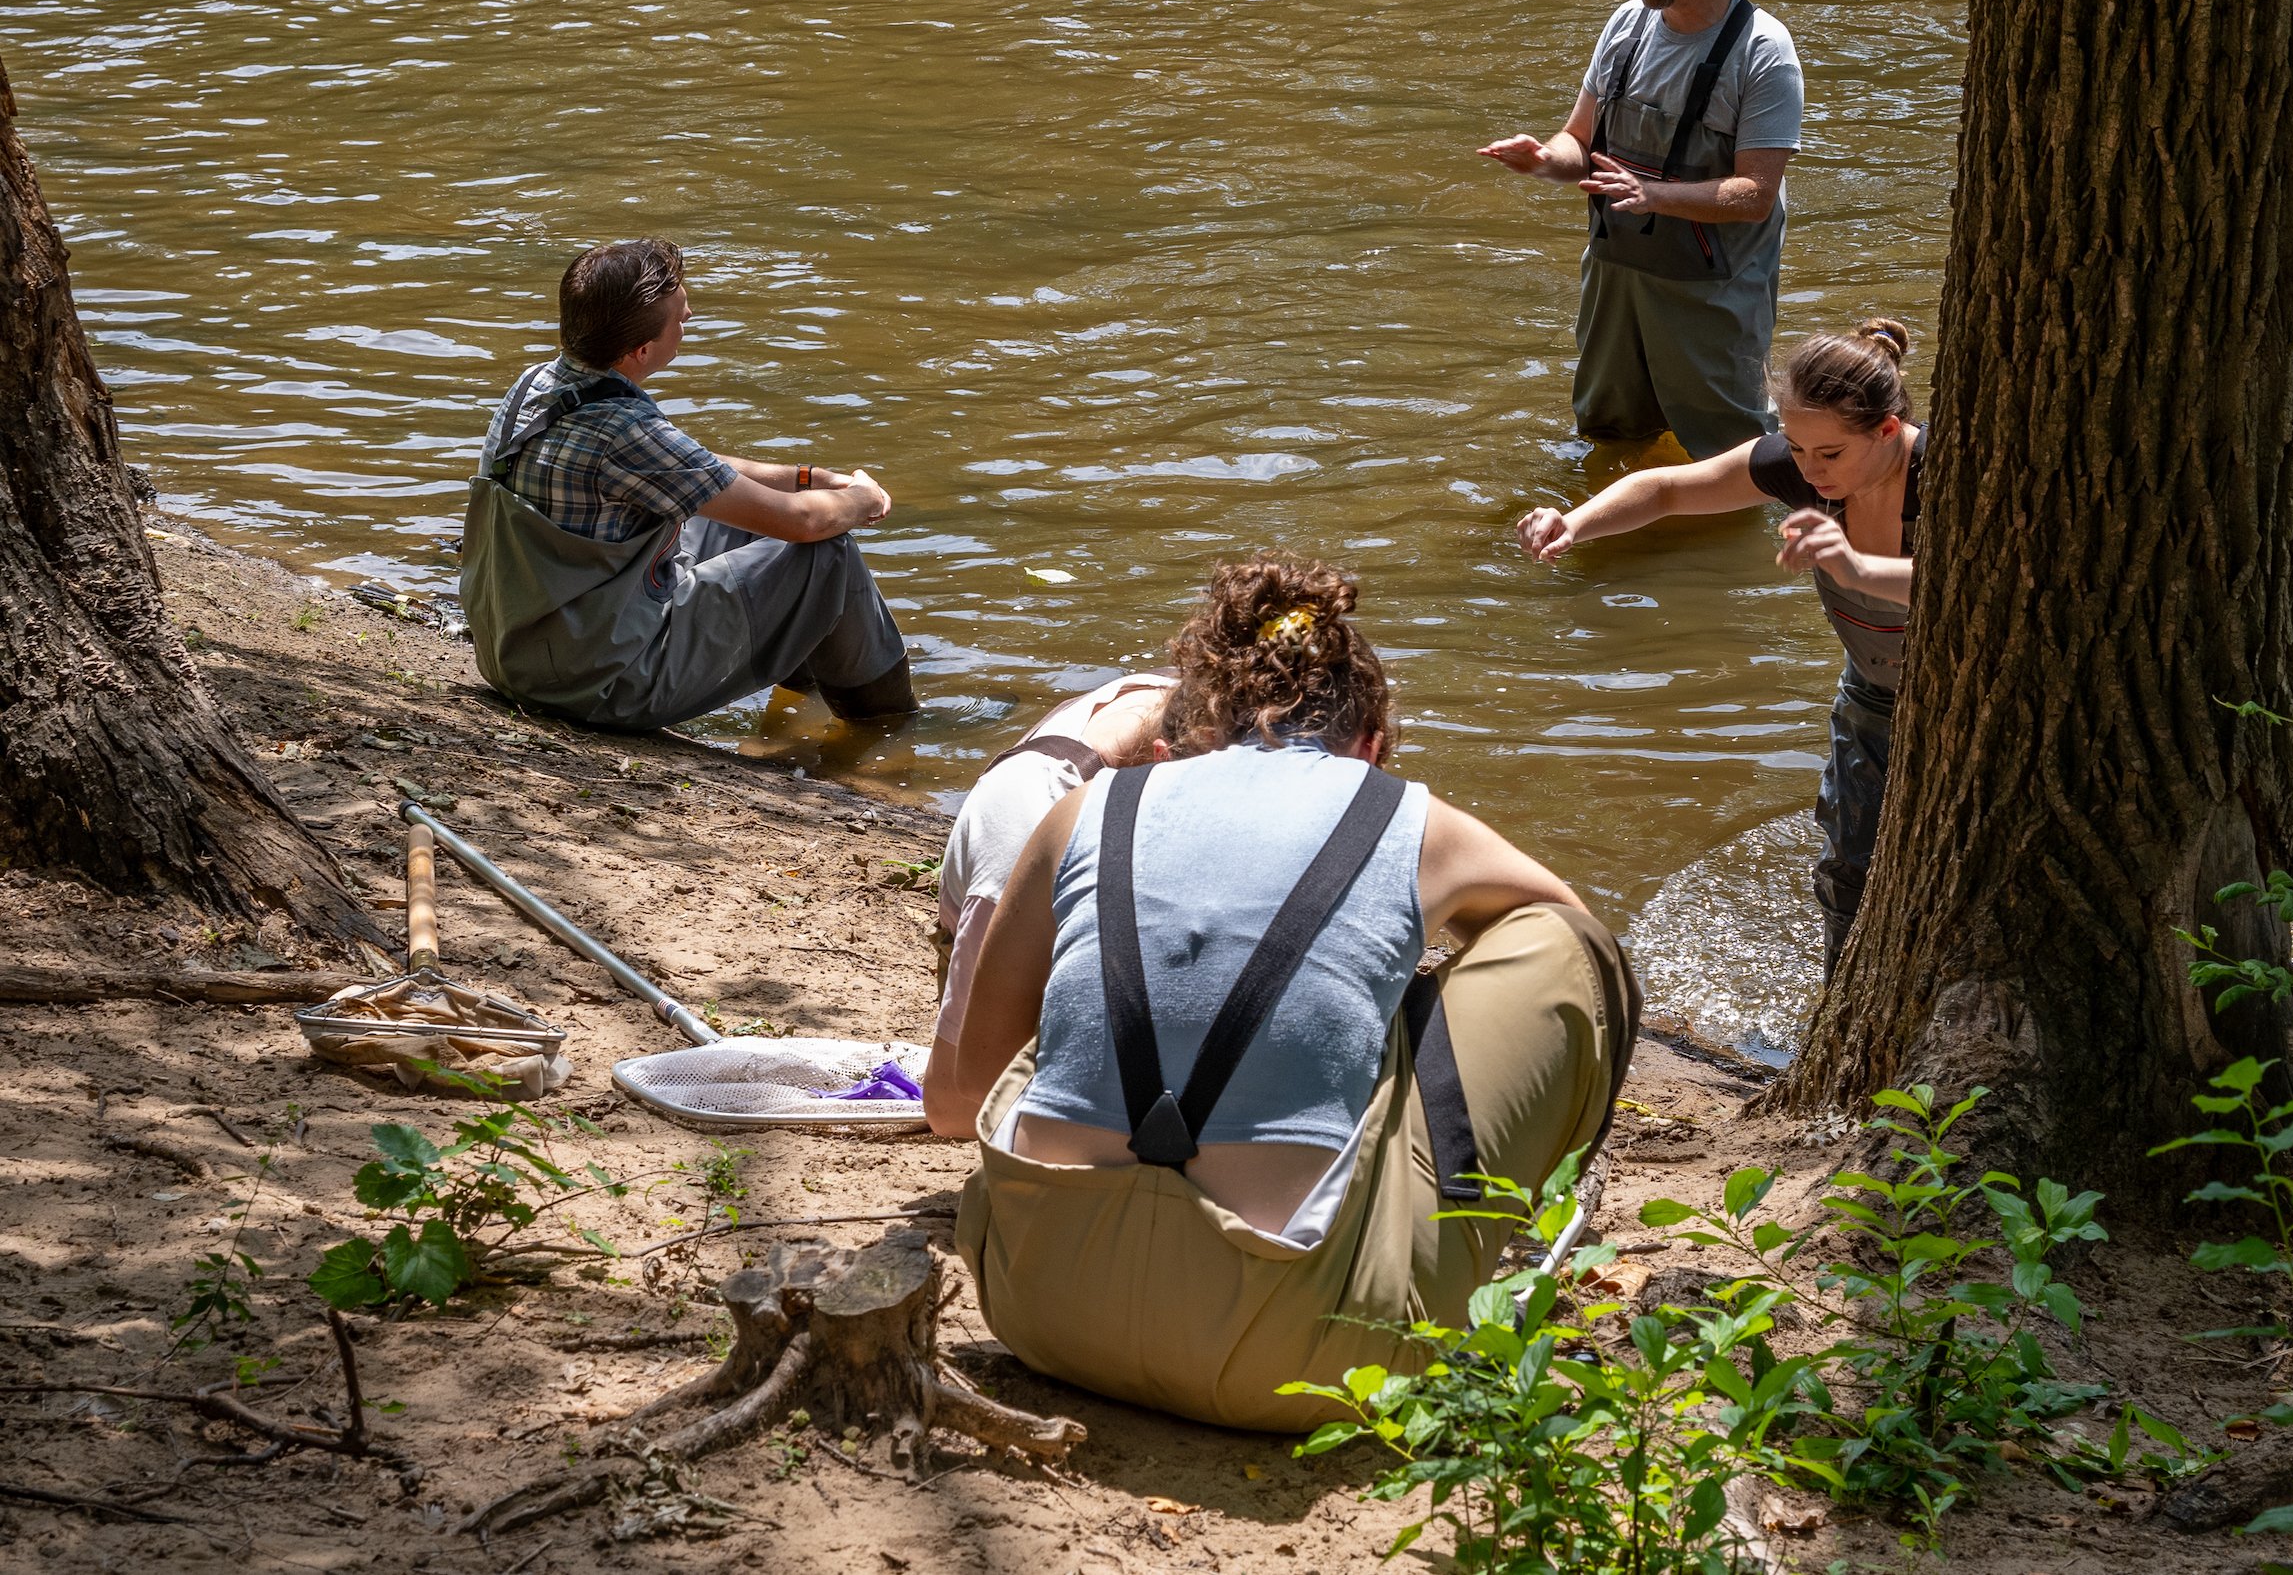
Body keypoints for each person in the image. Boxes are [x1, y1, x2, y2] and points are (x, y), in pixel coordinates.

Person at [928, 555, 1637, 1433]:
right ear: (1371, 745)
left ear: (1187, 739)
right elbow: (1575, 944)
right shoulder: (1410, 816)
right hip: (1314, 1363)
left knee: (1097, 970)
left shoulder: (1089, 806)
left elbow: (960, 1101)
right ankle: (1461, 1254)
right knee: (1565, 942)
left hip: (1036, 1306)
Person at [1517, 319, 1920, 975]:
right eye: (1795, 450)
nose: (1811, 473)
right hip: (1872, 695)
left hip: (1971, 703)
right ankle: (1844, 1007)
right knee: (1849, 872)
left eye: (1830, 455)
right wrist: (1575, 522)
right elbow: (1669, 490)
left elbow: (1993, 585)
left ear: (1886, 430)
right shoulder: (1803, 470)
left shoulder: (1945, 475)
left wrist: (1857, 569)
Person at [459, 238, 919, 731]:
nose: (690, 316)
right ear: (641, 350)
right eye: (680, 315)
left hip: (519, 653)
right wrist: (861, 497)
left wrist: (804, 478)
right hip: (597, 686)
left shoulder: (536, 387)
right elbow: (801, 522)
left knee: (739, 527)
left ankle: (793, 707)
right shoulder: (625, 430)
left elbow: (693, 469)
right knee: (827, 556)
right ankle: (886, 727)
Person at [1479, 0, 1804, 459]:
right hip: (1615, 278)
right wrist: (1544, 160)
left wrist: (1653, 195)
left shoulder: (1763, 51)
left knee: (1731, 456)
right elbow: (1581, 141)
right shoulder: (1626, 26)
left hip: (1712, 292)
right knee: (1607, 436)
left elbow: (1756, 193)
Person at [931, 671, 1175, 1043]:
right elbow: (958, 1088)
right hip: (1003, 974)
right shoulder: (1026, 823)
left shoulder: (1179, 696)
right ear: (1165, 757)